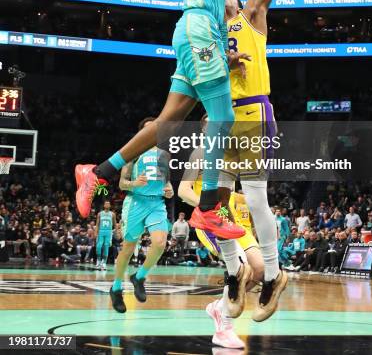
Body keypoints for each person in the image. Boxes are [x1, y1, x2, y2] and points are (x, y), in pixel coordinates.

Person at [75, 0, 248, 242]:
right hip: (195, 28)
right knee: (223, 117)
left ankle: (97, 173)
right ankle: (207, 208)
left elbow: (219, 10)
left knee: (168, 123)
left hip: (207, 35)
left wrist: (225, 50)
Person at [219, 0, 322, 323]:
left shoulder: (252, 16)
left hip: (252, 113)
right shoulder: (208, 34)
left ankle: (274, 274)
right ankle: (233, 270)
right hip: (220, 116)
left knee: (256, 199)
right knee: (210, 203)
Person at [179, 139, 263, 350]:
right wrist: (208, 206)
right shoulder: (199, 152)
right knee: (240, 269)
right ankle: (224, 327)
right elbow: (183, 190)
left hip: (229, 218)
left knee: (261, 270)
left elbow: (227, 197)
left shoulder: (232, 154)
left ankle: (219, 306)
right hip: (208, 221)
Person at [109, 139, 174, 313]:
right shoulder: (134, 153)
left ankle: (139, 277)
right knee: (128, 249)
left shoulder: (164, 155)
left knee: (160, 243)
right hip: (136, 203)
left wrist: (170, 190)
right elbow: (122, 183)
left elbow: (167, 183)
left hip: (157, 204)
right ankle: (116, 288)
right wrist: (134, 183)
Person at [95, 200, 116, 270]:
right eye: (106, 204)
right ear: (104, 205)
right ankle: (98, 260)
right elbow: (97, 224)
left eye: (108, 204)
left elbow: (115, 225)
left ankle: (104, 262)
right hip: (101, 231)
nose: (107, 205)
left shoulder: (113, 214)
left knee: (106, 246)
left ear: (110, 206)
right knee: (99, 246)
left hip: (108, 232)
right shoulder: (99, 214)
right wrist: (96, 232)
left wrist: (116, 232)